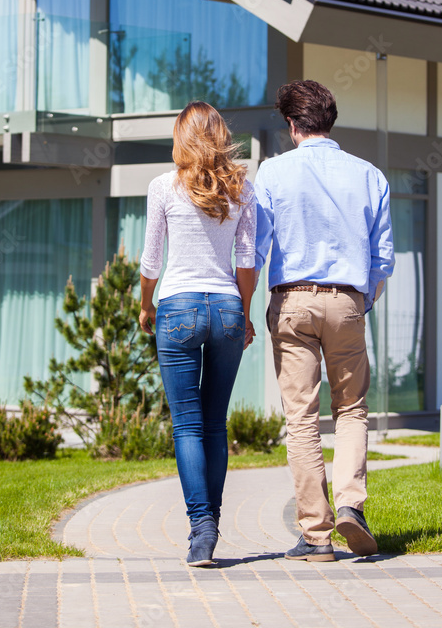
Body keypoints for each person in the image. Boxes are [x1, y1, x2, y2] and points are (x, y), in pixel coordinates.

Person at [254, 80, 394, 562]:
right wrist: (359, 304)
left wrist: (247, 301)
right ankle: (351, 504)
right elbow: (383, 259)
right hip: (348, 300)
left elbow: (255, 249)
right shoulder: (370, 175)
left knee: (302, 417)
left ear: (293, 125)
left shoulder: (271, 173)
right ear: (329, 121)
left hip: (291, 299)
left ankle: (316, 535)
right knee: (351, 409)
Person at [139, 101, 256, 567]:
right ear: (220, 135)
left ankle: (201, 529)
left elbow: (151, 261)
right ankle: (212, 523)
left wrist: (146, 305)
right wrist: (243, 316)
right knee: (214, 423)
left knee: (187, 425)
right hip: (226, 307)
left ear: (180, 138)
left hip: (179, 308)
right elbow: (246, 262)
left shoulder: (163, 187)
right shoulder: (241, 190)